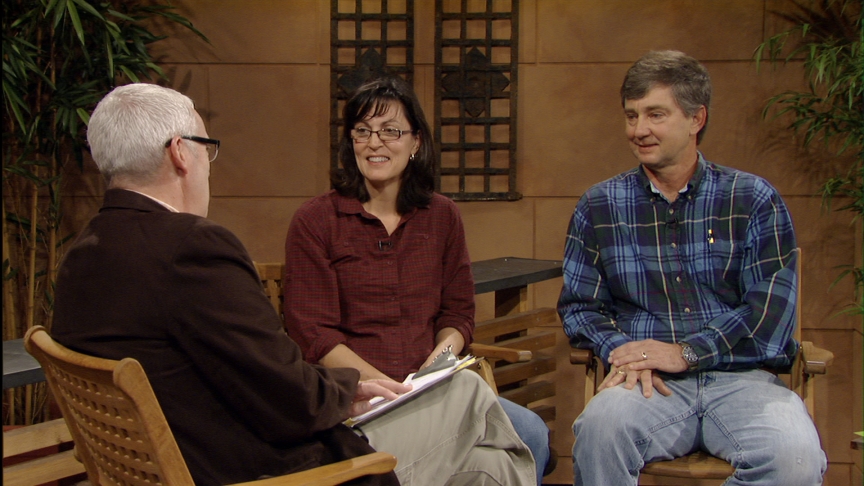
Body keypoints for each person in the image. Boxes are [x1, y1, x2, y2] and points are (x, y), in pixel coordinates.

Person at [51, 83, 532, 486]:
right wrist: (351, 392)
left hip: (180, 464)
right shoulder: (194, 249)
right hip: (275, 473)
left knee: (487, 465)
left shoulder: (81, 257)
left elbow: (248, 376)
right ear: (180, 153)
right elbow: (288, 393)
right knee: (472, 402)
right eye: (205, 148)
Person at [557, 50, 827, 486]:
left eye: (655, 114)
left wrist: (686, 352)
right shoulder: (599, 205)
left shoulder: (753, 198)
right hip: (647, 383)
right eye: (631, 116)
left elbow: (770, 317)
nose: (639, 130)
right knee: (600, 431)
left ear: (696, 118)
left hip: (742, 378)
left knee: (794, 458)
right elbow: (580, 308)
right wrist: (626, 352)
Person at [283, 76, 550, 484]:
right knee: (478, 400)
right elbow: (314, 333)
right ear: (349, 142)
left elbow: (458, 312)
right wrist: (385, 388)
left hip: (429, 386)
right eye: (363, 131)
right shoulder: (317, 221)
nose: (375, 143)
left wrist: (433, 369)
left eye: (391, 131)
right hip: (356, 398)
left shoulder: (442, 216)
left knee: (516, 442)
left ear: (416, 142)